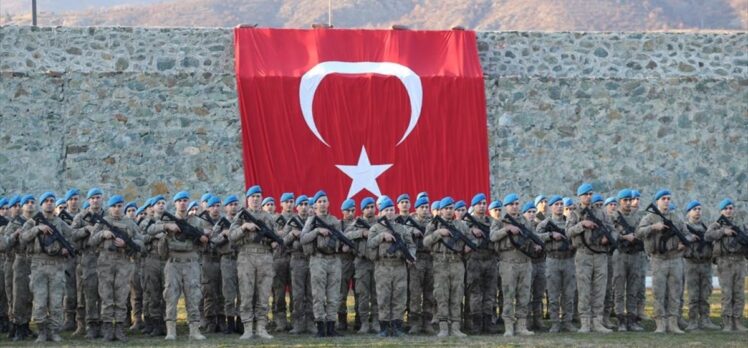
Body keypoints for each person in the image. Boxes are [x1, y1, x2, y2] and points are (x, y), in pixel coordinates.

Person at [636, 189, 694, 334]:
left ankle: (673, 323)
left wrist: (685, 242)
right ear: (658, 201)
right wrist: (653, 227)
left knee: (675, 292)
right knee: (659, 292)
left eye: (668, 198)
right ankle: (660, 324)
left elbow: (687, 234)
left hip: (675, 258)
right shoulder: (650, 217)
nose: (667, 201)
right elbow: (638, 233)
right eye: (664, 199)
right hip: (658, 260)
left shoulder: (676, 217)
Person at [21, 192, 75, 342]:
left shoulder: (60, 223)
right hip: (39, 264)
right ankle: (42, 332)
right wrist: (38, 229)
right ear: (42, 204)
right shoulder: (33, 222)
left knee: (56, 302)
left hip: (57, 265)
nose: (50, 203)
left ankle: (54, 331)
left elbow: (72, 238)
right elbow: (22, 238)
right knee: (40, 301)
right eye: (47, 201)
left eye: (52, 201)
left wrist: (66, 249)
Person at [90, 195, 144, 341]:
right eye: (114, 206)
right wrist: (102, 233)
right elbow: (91, 241)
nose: (117, 209)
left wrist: (126, 243)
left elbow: (141, 241)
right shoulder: (103, 222)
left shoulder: (130, 223)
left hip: (124, 262)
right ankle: (107, 328)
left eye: (120, 206)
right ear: (110, 207)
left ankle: (119, 328)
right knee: (106, 296)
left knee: (121, 296)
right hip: (105, 262)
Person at [229, 185, 277, 339]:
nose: (256, 199)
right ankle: (248, 328)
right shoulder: (241, 216)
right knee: (246, 293)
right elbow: (231, 236)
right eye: (253, 196)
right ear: (247, 199)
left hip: (265, 257)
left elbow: (274, 237)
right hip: (246, 256)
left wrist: (275, 243)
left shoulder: (268, 217)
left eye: (258, 196)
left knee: (263, 294)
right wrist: (244, 227)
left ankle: (262, 327)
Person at [424, 197, 472, 337]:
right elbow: (426, 242)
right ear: (441, 210)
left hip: (457, 262)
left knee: (457, 295)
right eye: (447, 208)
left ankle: (456, 327)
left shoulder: (462, 225)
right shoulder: (434, 225)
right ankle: (443, 327)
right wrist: (438, 234)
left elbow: (471, 239)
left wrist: (469, 246)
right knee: (441, 295)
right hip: (440, 262)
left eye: (451, 208)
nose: (449, 211)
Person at [368, 197, 415, 337]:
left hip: (399, 266)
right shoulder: (375, 229)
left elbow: (411, 244)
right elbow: (370, 244)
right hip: (383, 265)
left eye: (391, 210)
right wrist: (381, 236)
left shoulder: (401, 228)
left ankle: (397, 327)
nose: (389, 212)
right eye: (386, 210)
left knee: (399, 297)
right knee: (383, 297)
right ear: (381, 212)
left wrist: (411, 256)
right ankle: (383, 327)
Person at [301, 191, 344, 337]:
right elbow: (303, 238)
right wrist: (317, 231)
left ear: (329, 203)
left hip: (334, 259)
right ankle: (320, 326)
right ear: (315, 204)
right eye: (320, 201)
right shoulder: (311, 221)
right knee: (318, 295)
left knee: (333, 295)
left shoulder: (335, 221)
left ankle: (331, 327)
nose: (323, 204)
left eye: (325, 201)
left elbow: (341, 239)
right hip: (318, 259)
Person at [706, 198, 747, 332]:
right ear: (721, 211)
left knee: (739, 293)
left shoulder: (739, 225)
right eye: (726, 208)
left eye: (730, 208)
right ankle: (727, 322)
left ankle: (737, 321)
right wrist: (723, 232)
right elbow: (707, 236)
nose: (729, 210)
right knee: (727, 293)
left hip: (739, 262)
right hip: (725, 262)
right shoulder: (716, 224)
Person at [537, 195, 577, 333]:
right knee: (553, 294)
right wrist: (550, 235)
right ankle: (555, 322)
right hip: (553, 259)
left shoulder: (569, 222)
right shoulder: (545, 223)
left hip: (568, 259)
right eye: (556, 204)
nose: (559, 206)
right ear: (551, 207)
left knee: (569, 293)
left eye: (561, 204)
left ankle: (567, 322)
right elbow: (535, 236)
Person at [682, 200, 719, 331]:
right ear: (689, 212)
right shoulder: (684, 228)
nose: (697, 211)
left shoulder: (705, 227)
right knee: (693, 294)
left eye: (699, 209)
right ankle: (692, 321)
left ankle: (705, 319)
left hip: (706, 264)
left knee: (705, 294)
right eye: (694, 209)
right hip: (692, 264)